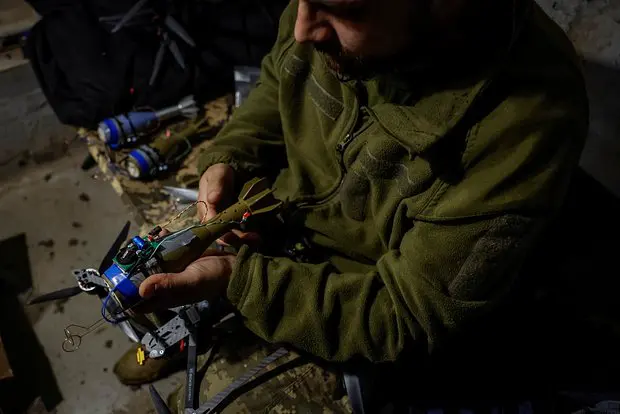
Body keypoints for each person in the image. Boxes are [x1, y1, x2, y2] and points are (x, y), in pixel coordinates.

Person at [114, 0, 589, 411]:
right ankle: (183, 334)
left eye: (346, 11)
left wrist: (240, 280)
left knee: (208, 402)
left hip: (361, 297)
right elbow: (279, 82)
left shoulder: (527, 124)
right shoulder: (323, 15)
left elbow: (405, 318)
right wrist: (230, 157)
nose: (304, 28)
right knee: (159, 285)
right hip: (279, 218)